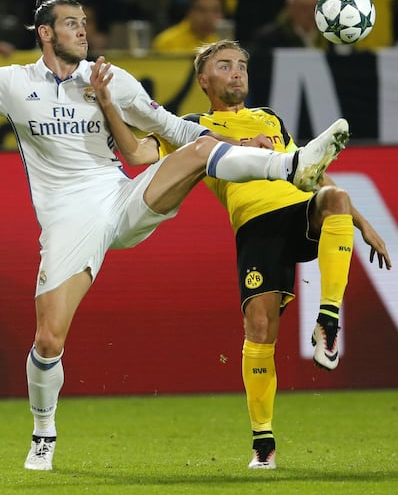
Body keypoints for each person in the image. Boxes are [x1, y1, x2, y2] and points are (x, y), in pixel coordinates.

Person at [0, 0, 348, 472]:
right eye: (70, 24)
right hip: (70, 219)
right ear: (45, 33)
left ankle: (291, 163)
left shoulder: (111, 77)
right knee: (49, 340)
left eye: (84, 22)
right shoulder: (11, 83)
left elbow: (177, 130)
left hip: (122, 197)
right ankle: (43, 432)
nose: (82, 31)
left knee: (196, 154)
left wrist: (239, 143)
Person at [127, 40, 390, 470]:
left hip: (296, 208)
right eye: (225, 65)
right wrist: (107, 108)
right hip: (256, 228)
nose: (236, 73)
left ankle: (327, 321)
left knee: (336, 196)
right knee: (260, 330)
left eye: (242, 66)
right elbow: (140, 153)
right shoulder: (191, 128)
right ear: (203, 80)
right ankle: (263, 443)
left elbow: (310, 171)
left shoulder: (270, 118)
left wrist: (363, 222)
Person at [249, 0, 327, 52]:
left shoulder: (330, 35)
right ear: (290, 7)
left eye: (314, 7)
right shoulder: (269, 38)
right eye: (304, 8)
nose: (311, 13)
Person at [152, 0, 225, 54]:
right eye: (201, 10)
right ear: (189, 12)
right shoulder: (166, 42)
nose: (208, 17)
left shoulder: (225, 42)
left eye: (215, 10)